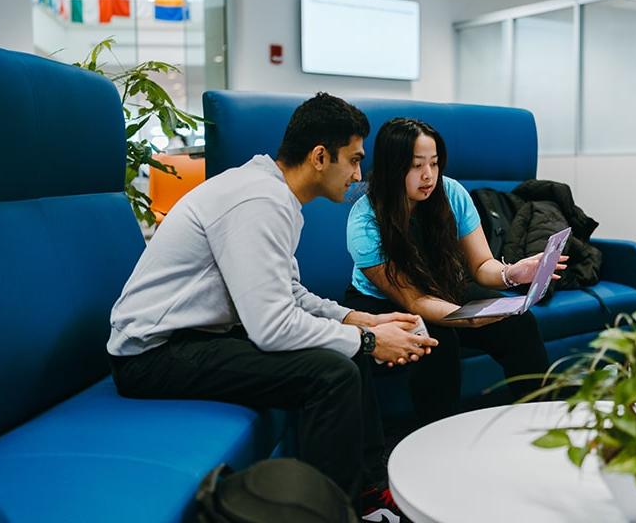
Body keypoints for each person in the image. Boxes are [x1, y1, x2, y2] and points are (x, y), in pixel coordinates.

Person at [107, 93, 437, 519]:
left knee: (346, 354)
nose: (358, 174)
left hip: (198, 336)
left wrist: (358, 319)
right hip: (152, 355)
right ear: (320, 156)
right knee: (333, 372)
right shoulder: (259, 201)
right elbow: (272, 327)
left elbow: (289, 293)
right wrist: (371, 340)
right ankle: (328, 513)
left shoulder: (271, 194)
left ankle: (366, 494)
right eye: (353, 160)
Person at [344, 117, 563, 425]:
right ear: (393, 167)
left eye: (434, 164)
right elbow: (415, 301)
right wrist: (466, 317)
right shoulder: (365, 220)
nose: (428, 175)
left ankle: (538, 422)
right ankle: (436, 438)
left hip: (443, 283)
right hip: (385, 300)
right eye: (416, 165)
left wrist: (514, 273)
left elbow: (480, 266)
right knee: (439, 339)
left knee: (519, 323)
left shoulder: (452, 194)